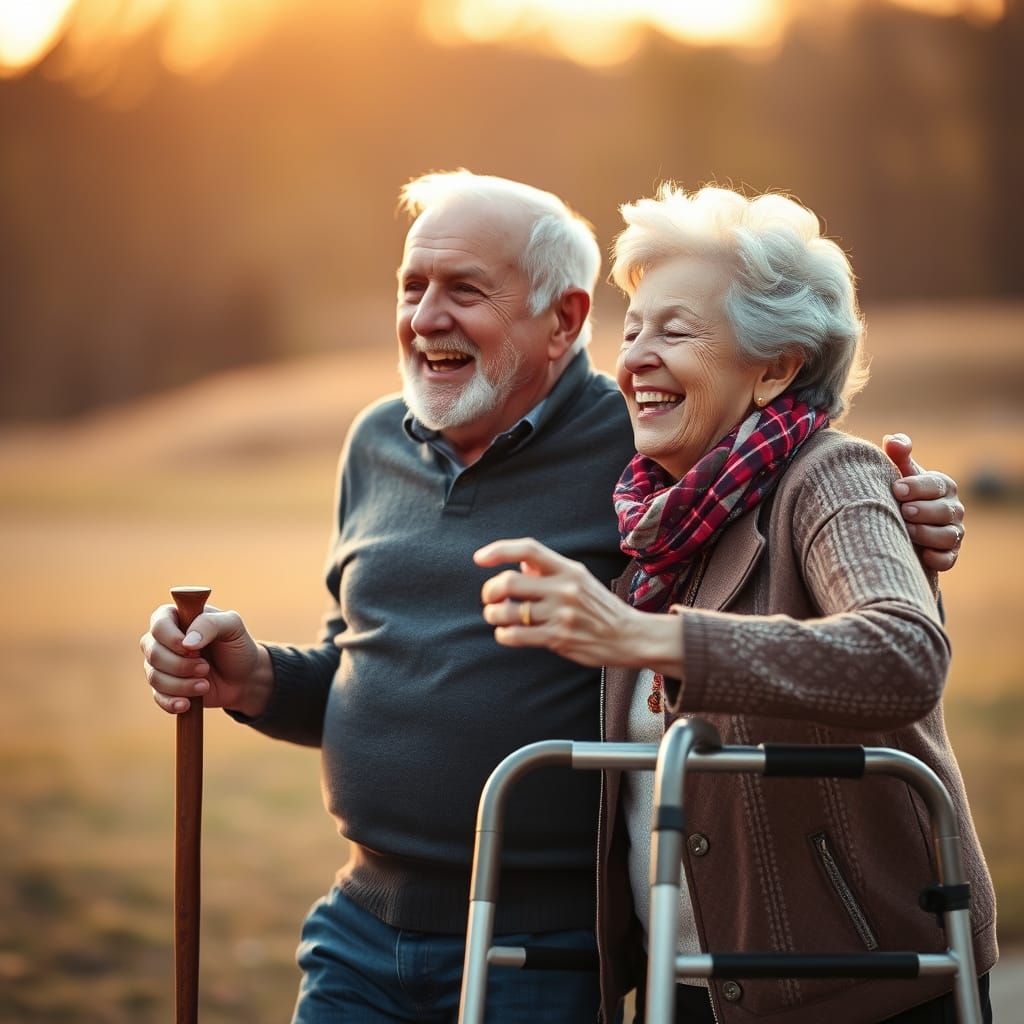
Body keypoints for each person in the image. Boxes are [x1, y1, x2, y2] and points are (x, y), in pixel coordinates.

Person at [140, 172, 967, 1023]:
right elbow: (366, 673)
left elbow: (879, 619)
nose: (426, 316)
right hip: (376, 927)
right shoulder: (616, 490)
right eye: (413, 286)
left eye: (466, 289)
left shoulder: (670, 459)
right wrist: (255, 679)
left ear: (565, 321)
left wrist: (907, 516)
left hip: (563, 949)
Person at [475, 184, 995, 1024]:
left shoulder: (830, 475)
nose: (636, 358)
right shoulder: (654, 520)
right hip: (686, 992)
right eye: (633, 329)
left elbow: (903, 655)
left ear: (776, 368)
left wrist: (647, 637)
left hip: (863, 991)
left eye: (676, 332)